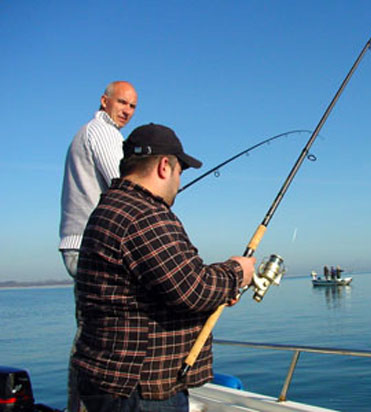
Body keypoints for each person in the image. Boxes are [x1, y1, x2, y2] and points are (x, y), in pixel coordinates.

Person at [71, 123, 256, 412]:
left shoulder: (110, 208)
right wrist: (238, 272)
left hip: (110, 381)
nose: (179, 184)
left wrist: (219, 291)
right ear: (164, 166)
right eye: (180, 172)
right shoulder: (143, 214)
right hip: (140, 390)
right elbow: (193, 289)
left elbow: (165, 285)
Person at [59, 81, 138, 277]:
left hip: (79, 244)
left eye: (132, 106)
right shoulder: (103, 132)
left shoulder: (86, 131)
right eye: (122, 102)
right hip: (92, 245)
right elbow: (125, 186)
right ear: (104, 101)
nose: (127, 111)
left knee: (90, 307)